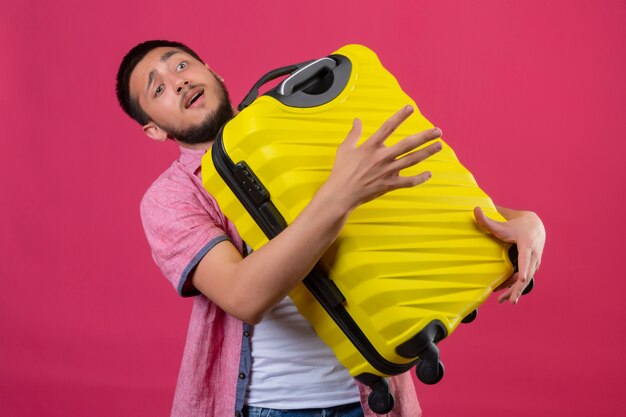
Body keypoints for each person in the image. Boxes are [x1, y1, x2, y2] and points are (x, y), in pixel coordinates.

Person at [115, 40, 546, 417]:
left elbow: (404, 205)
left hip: (372, 401)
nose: (177, 81)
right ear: (153, 129)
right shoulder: (172, 198)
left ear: (213, 72)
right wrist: (339, 195)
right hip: (267, 405)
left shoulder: (300, 127)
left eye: (181, 65)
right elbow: (243, 296)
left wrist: (524, 222)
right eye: (157, 88)